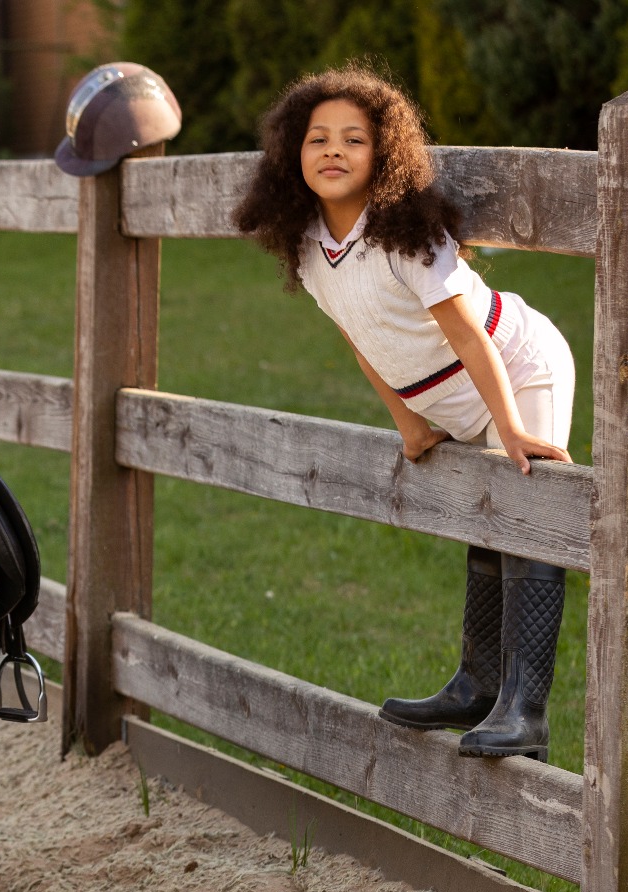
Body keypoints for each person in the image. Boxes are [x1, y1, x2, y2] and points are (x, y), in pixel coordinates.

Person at [233, 66, 575, 763]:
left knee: (524, 517)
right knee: (485, 522)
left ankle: (525, 710)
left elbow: (466, 333)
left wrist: (509, 425)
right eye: (317, 139)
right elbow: (360, 336)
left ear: (382, 153)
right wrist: (407, 422)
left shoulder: (406, 234)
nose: (333, 151)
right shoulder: (308, 249)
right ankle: (477, 685)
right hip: (451, 394)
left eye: (353, 139)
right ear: (292, 155)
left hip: (515, 368)